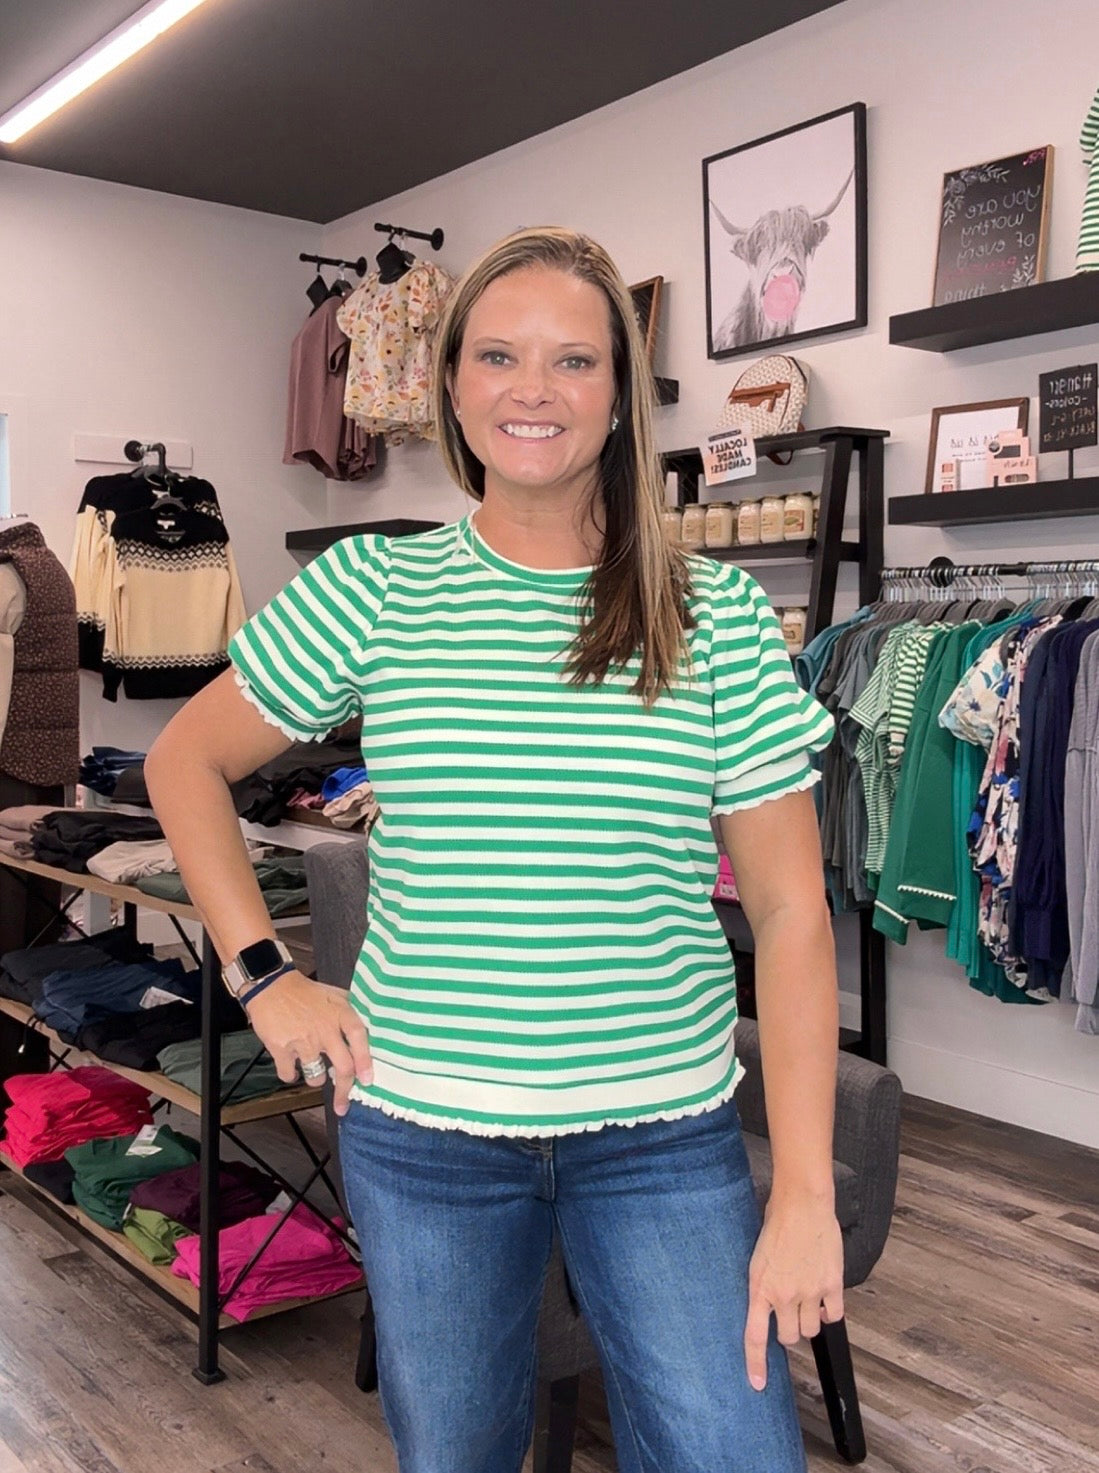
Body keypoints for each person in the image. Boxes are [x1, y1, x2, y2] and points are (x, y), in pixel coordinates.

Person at [145, 226, 842, 1473]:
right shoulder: (373, 588)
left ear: (619, 396)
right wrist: (264, 974)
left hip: (663, 1135)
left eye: (575, 360)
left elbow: (791, 914)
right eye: (500, 356)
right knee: (454, 1452)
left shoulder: (716, 613)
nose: (535, 390)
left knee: (731, 1453)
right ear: (453, 386)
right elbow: (182, 761)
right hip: (424, 1135)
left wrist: (802, 1193)